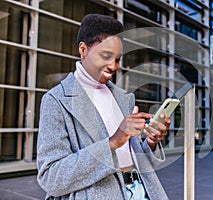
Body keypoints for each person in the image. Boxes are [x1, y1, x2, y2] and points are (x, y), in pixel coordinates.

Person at [36, 14, 170, 200]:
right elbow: (51, 178)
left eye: (117, 59)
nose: (114, 66)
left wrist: (151, 143)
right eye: (106, 56)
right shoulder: (56, 101)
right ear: (83, 49)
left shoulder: (124, 98)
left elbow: (132, 158)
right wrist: (113, 142)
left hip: (142, 191)